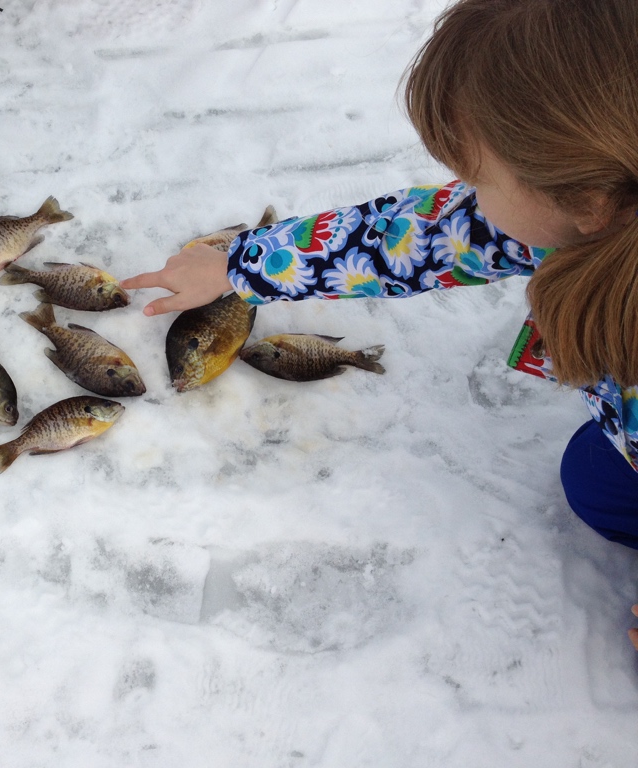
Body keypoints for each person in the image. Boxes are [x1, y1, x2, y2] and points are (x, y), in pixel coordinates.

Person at [121, 0, 638, 649]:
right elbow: (414, 237)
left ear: (589, 201)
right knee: (592, 481)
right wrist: (240, 265)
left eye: (478, 178)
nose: (462, 193)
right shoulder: (593, 203)